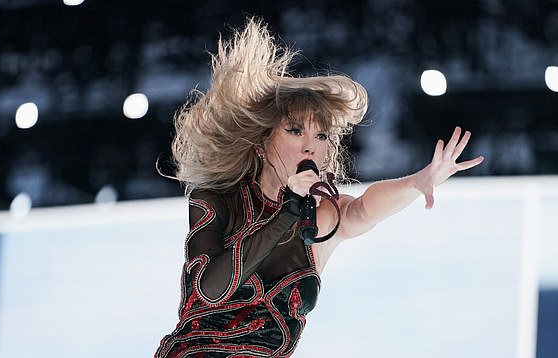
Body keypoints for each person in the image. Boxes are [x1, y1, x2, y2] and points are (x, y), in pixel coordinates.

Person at [154, 17, 484, 358]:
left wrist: (418, 182)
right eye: (296, 131)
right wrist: (288, 210)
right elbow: (210, 289)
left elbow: (362, 209)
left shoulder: (320, 218)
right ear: (262, 144)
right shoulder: (216, 200)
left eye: (321, 135)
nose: (311, 146)